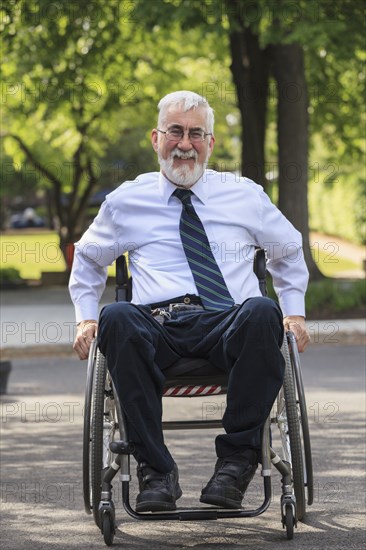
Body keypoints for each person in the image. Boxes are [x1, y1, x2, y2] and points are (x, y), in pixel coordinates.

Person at [70, 90, 310, 513]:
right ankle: (155, 473)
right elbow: (88, 261)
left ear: (211, 143)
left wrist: (294, 310)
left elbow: (288, 250)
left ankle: (235, 466)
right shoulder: (126, 201)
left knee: (262, 311)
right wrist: (85, 319)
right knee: (117, 317)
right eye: (175, 132)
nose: (185, 143)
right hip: (157, 328)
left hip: (230, 325)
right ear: (156, 138)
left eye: (196, 134)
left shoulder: (245, 195)